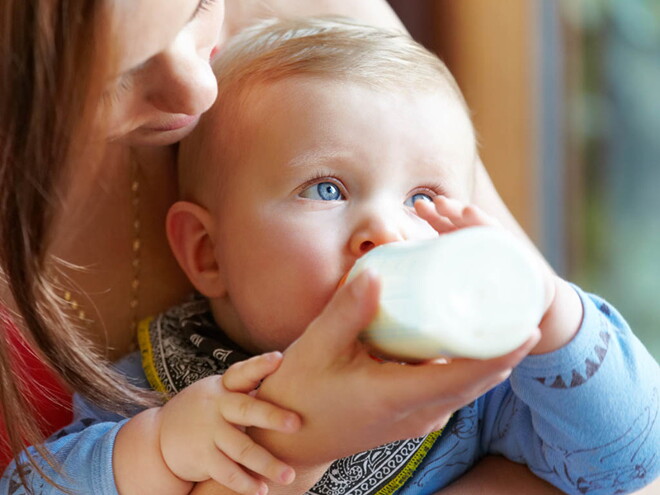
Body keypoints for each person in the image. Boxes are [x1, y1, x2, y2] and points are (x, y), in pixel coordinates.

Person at [10, 16, 655, 495]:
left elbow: (631, 461)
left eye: (424, 198)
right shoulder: (154, 386)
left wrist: (554, 315)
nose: (386, 231)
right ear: (208, 253)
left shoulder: (477, 385)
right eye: (328, 189)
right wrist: (161, 452)